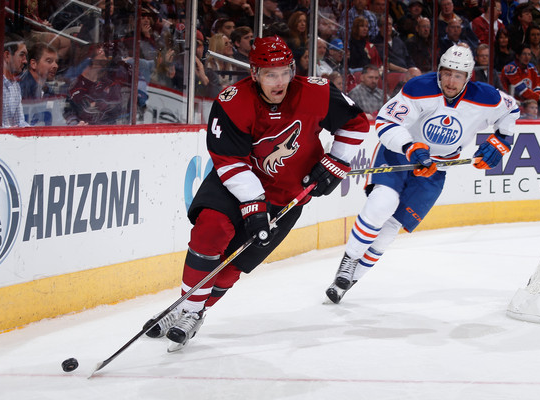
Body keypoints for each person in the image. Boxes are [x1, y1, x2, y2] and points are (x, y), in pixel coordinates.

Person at [144, 36, 370, 348]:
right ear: (254, 74)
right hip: (233, 184)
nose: (279, 82)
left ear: (293, 69)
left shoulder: (317, 92)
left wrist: (336, 161)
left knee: (230, 269)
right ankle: (187, 308)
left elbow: (356, 123)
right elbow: (229, 159)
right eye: (269, 74)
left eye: (284, 72)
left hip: (287, 197)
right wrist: (252, 204)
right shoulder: (233, 99)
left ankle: (193, 313)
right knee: (210, 231)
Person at [325, 44, 520, 304]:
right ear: (439, 70)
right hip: (399, 155)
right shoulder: (419, 88)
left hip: (436, 168)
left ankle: (347, 283)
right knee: (382, 204)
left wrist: (500, 142)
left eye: (458, 75)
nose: (450, 81)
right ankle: (348, 263)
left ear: (468, 77)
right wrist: (411, 147)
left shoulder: (487, 97)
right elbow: (386, 122)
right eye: (446, 73)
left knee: (393, 226)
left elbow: (512, 110)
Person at [63, 45, 124, 125]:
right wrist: (75, 125)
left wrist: (97, 105)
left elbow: (117, 109)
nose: (103, 54)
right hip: (83, 131)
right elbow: (70, 112)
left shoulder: (110, 83)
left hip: (107, 131)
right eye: (101, 51)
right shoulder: (75, 86)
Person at [1, 34, 30, 128]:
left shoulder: (15, 86)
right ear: (7, 56)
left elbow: (20, 122)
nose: (25, 61)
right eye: (21, 55)